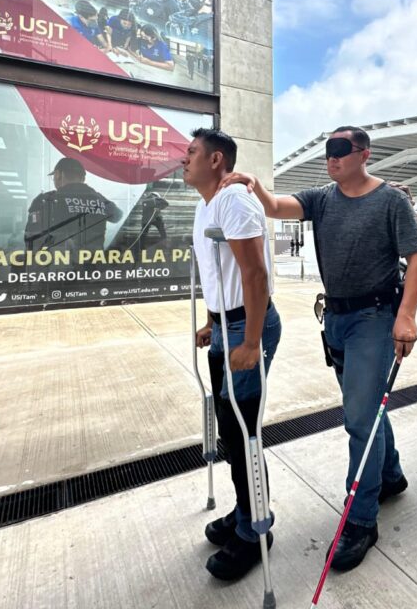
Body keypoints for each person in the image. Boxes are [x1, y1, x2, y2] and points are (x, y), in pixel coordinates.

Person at [219, 125, 417, 572]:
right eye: (327, 150)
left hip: (374, 318)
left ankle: (362, 519)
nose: (330, 158)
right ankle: (389, 475)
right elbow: (275, 207)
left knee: (358, 419)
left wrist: (406, 315)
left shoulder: (391, 200)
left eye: (339, 150)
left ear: (364, 154)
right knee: (367, 410)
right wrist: (250, 182)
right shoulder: (322, 197)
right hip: (334, 317)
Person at [183, 127, 282, 581]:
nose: (184, 159)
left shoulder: (235, 200)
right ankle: (246, 509)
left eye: (192, 152)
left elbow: (254, 273)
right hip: (225, 325)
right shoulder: (205, 205)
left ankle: (254, 528)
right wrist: (210, 319)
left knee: (244, 433)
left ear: (217, 159)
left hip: (248, 325)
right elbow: (216, 272)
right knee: (228, 428)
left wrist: (251, 341)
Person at [24, 157, 122, 253]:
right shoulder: (99, 199)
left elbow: (32, 241)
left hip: (61, 265)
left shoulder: (45, 200)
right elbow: (117, 216)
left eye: (53, 177)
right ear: (83, 178)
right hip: (94, 264)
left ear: (58, 175)